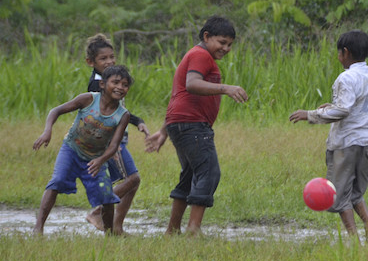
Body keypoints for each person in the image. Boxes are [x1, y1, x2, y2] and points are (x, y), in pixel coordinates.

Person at [145, 16, 249, 236]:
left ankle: (173, 229)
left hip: (181, 123)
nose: (226, 48)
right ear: (206, 36)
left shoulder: (198, 55)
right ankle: (193, 229)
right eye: (221, 42)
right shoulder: (201, 55)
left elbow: (179, 96)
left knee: (191, 175)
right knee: (209, 172)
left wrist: (164, 130)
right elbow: (191, 85)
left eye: (230, 44)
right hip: (192, 125)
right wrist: (225, 88)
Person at [289, 30, 368, 242]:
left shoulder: (346, 77)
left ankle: (353, 238)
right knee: (356, 191)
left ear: (345, 52)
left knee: (338, 195)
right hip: (367, 142)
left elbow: (344, 111)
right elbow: (358, 107)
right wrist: (331, 106)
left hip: (346, 144)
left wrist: (310, 115)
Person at [32, 65, 134, 235]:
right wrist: (47, 131)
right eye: (115, 82)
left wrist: (101, 161)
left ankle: (109, 236)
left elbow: (114, 145)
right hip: (71, 150)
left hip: (96, 160)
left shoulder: (123, 115)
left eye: (124, 85)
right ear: (102, 84)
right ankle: (38, 228)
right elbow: (55, 111)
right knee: (57, 181)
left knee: (107, 197)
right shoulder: (88, 99)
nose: (120, 87)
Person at [81, 33, 148, 235]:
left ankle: (116, 228)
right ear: (91, 62)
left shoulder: (110, 79)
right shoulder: (97, 84)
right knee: (132, 179)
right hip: (109, 141)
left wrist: (138, 122)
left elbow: (118, 110)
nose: (109, 61)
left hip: (117, 139)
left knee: (133, 183)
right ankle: (97, 212)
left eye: (111, 57)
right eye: (103, 59)